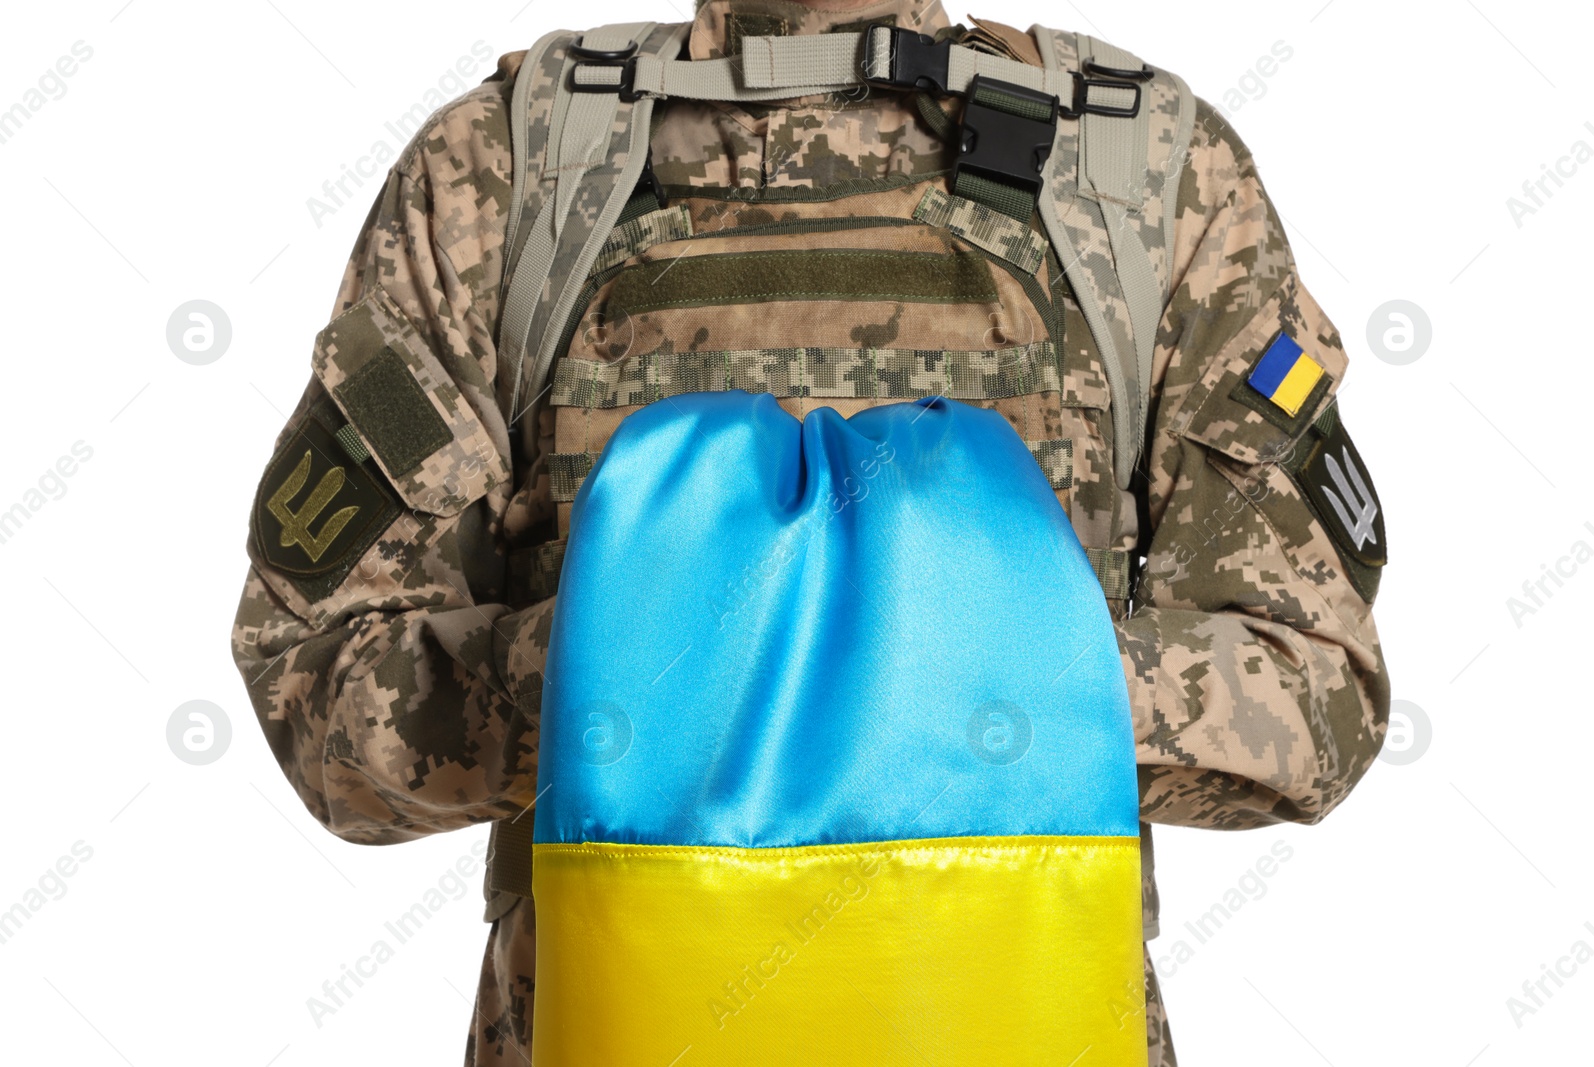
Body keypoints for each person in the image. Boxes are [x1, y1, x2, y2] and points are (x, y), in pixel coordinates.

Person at [231, 1, 1389, 1063]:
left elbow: (1315, 694)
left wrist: (927, 661)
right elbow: (320, 698)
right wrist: (623, 659)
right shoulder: (506, 169)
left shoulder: (1142, 175)